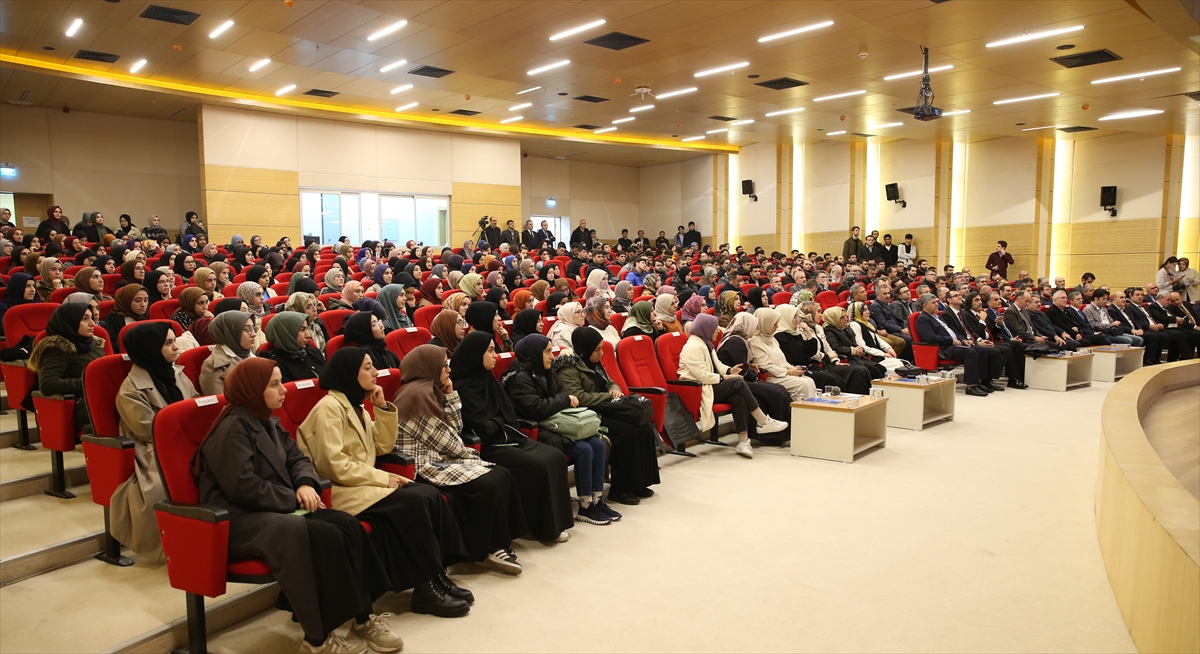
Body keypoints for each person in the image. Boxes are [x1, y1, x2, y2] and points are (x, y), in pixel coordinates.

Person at [194, 358, 401, 653]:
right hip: (238, 519)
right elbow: (243, 488)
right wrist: (292, 497)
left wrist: (305, 483)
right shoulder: (232, 429)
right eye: (275, 385)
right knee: (319, 536)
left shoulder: (266, 420)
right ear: (253, 389)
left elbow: (298, 459)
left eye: (281, 382)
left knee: (346, 524)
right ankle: (317, 639)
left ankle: (363, 617)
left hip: (271, 508)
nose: (284, 391)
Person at [297, 347, 472, 617]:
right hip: (342, 489)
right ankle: (425, 589)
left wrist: (382, 409)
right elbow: (333, 465)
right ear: (348, 373)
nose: (375, 371)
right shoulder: (329, 408)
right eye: (367, 367)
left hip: (362, 483)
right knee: (412, 503)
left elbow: (381, 447)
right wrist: (384, 478)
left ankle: (437, 575)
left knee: (428, 495)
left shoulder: (356, 405)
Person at [393, 344, 527, 573]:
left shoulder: (432, 389)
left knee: (500, 474)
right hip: (424, 465)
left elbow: (455, 428)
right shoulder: (417, 395)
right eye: (444, 365)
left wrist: (451, 394)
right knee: (488, 481)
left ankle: (496, 543)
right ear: (429, 367)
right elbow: (449, 441)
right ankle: (484, 549)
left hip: (441, 455)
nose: (449, 370)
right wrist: (472, 456)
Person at [451, 332, 574, 543]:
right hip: (486, 446)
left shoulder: (487, 377)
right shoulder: (462, 386)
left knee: (553, 456)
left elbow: (505, 414)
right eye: (489, 351)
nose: (495, 356)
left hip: (506, 435)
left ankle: (555, 521)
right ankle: (541, 527)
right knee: (537, 464)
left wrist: (500, 423)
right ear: (475, 354)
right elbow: (480, 426)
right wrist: (499, 423)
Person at [504, 335, 619, 525]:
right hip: (537, 429)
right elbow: (537, 408)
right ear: (534, 354)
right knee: (584, 449)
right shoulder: (519, 378)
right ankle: (585, 505)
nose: (552, 356)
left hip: (557, 423)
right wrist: (565, 400)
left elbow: (558, 396)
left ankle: (596, 500)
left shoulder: (547, 372)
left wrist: (562, 400)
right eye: (547, 352)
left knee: (597, 444)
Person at [109, 322, 196, 559]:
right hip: (153, 449)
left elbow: (196, 406)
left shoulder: (177, 374)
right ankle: (175, 544)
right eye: (168, 343)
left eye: (174, 340)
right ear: (149, 349)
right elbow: (147, 429)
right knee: (166, 481)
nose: (176, 347)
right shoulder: (130, 390)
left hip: (188, 440)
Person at [555, 327, 660, 504]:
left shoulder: (593, 362)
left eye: (601, 348)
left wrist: (614, 390)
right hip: (588, 414)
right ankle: (620, 489)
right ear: (585, 349)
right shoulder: (568, 369)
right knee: (627, 432)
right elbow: (578, 397)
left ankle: (639, 482)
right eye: (597, 349)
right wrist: (608, 396)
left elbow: (610, 381)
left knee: (644, 427)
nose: (601, 353)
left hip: (606, 407)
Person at [679, 314, 788, 459]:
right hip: (698, 389)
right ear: (705, 329)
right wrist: (728, 377)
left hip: (709, 385)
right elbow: (703, 376)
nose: (718, 332)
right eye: (714, 329)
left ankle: (743, 441)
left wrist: (730, 370)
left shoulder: (705, 343)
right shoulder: (692, 346)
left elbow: (719, 366)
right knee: (738, 382)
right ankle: (762, 421)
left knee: (738, 396)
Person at [714, 312, 794, 447]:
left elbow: (740, 364)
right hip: (734, 382)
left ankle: (779, 433)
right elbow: (742, 370)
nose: (755, 329)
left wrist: (750, 367)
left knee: (778, 390)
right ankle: (774, 435)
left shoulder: (737, 339)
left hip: (738, 380)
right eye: (753, 326)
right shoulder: (736, 341)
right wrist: (752, 372)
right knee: (776, 392)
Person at [27, 304, 105, 429]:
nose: (92, 323)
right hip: (82, 406)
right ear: (69, 322)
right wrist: (87, 383)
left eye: (91, 318)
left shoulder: (93, 344)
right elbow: (48, 385)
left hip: (101, 398)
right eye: (84, 319)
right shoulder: (56, 349)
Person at [775, 304, 872, 395]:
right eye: (794, 317)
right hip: (805, 366)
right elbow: (803, 356)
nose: (797, 320)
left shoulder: (798, 332)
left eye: (797, 316)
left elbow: (816, 349)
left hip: (815, 363)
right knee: (834, 379)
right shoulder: (784, 335)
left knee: (861, 370)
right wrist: (827, 356)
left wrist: (835, 360)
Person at [913, 294, 992, 397]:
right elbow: (930, 338)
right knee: (970, 352)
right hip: (942, 348)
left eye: (937, 302)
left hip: (953, 344)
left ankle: (979, 382)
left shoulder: (937, 316)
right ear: (924, 306)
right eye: (933, 303)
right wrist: (951, 341)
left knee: (981, 350)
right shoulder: (923, 319)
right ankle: (971, 386)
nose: (937, 304)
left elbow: (953, 332)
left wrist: (963, 341)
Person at [748, 307, 817, 401]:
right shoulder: (754, 341)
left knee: (809, 381)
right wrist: (790, 372)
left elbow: (783, 361)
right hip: (771, 377)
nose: (777, 327)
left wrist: (793, 369)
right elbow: (765, 366)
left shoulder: (772, 339)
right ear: (766, 323)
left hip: (782, 373)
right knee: (802, 384)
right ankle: (797, 413)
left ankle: (810, 413)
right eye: (774, 324)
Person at [200, 310, 256, 395]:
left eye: (253, 328)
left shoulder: (250, 354)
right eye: (246, 330)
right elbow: (223, 404)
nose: (253, 334)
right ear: (229, 333)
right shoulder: (212, 366)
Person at [260, 311, 326, 382]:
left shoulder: (314, 352)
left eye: (307, 329)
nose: (308, 335)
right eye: (302, 329)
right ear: (286, 333)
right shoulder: (275, 366)